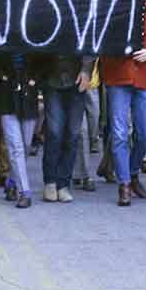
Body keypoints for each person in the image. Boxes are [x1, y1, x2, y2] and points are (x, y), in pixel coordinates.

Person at [100, 0, 146, 206]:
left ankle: (131, 172)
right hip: (118, 76)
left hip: (144, 77)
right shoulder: (113, 5)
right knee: (120, 133)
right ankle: (124, 183)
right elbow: (99, 38)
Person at [37, 53, 93, 203]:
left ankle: (63, 183)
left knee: (73, 134)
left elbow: (90, 45)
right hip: (51, 76)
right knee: (54, 132)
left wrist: (86, 69)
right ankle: (50, 181)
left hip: (76, 78)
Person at [0, 52, 37, 208]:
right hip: (6, 93)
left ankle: (12, 181)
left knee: (26, 145)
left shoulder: (33, 36)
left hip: (28, 93)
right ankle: (24, 191)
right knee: (16, 147)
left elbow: (44, 58)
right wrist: (0, 77)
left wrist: (36, 79)